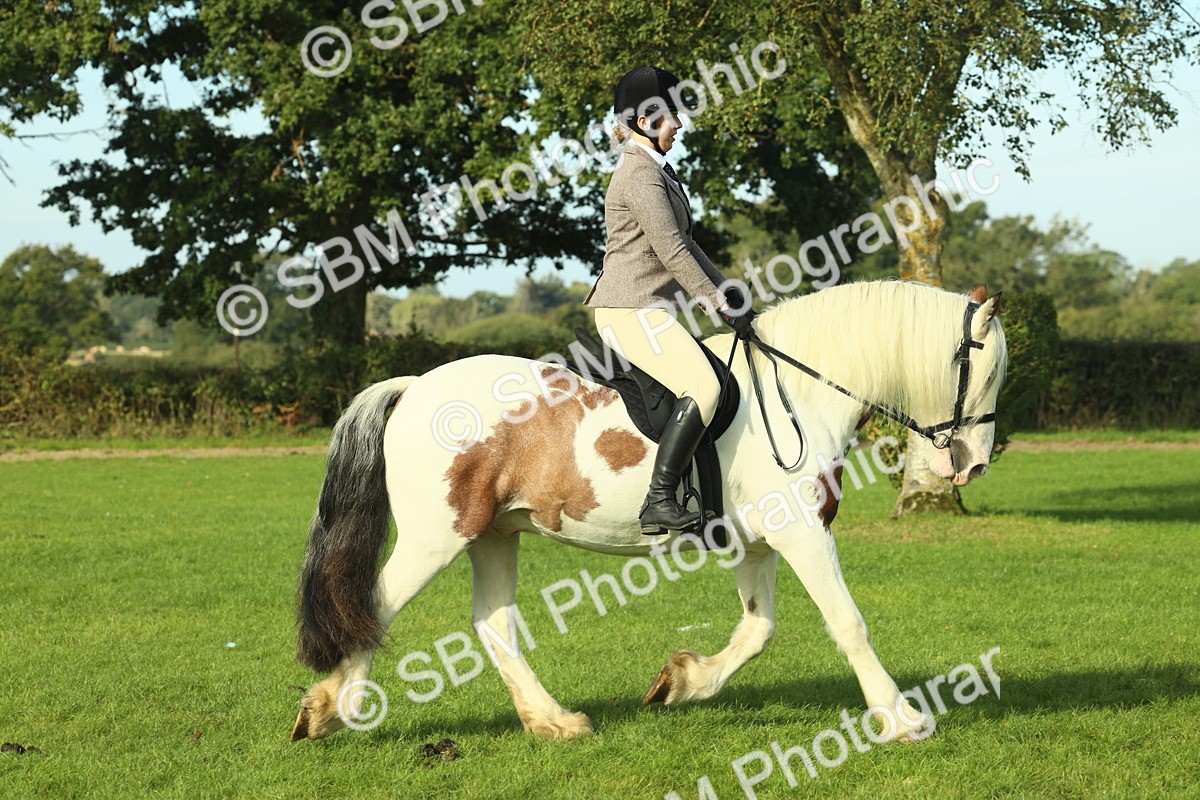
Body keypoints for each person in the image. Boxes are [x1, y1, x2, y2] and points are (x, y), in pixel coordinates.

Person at [584, 65, 756, 536]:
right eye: (671, 117)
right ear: (644, 122)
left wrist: (728, 291)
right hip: (628, 309)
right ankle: (658, 499)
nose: (679, 124)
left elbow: (688, 243)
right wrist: (715, 304)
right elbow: (671, 250)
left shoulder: (658, 170)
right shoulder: (639, 175)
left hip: (647, 309)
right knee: (705, 389)